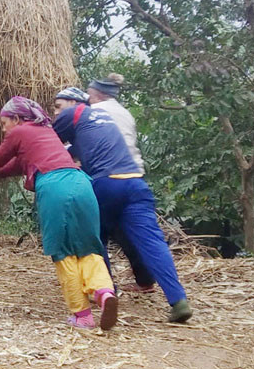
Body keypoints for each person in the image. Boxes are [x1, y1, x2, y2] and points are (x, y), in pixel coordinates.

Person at [0, 97, 118, 330]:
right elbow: (13, 166)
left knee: (62, 251)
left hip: (55, 186)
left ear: (17, 118)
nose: (4, 128)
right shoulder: (45, 133)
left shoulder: (20, 132)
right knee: (88, 246)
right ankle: (104, 291)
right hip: (82, 183)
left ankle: (83, 315)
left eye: (4, 122)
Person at [52, 98, 193, 323]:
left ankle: (107, 292)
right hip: (135, 182)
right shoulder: (102, 122)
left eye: (58, 106)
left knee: (95, 240)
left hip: (105, 183)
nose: (57, 113)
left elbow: (48, 143)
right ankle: (179, 301)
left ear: (73, 102)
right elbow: (77, 150)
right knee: (153, 242)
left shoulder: (73, 113)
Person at [87, 74, 143, 172]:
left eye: (90, 97)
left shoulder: (94, 110)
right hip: (135, 168)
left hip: (112, 170)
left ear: (98, 96)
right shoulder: (126, 113)